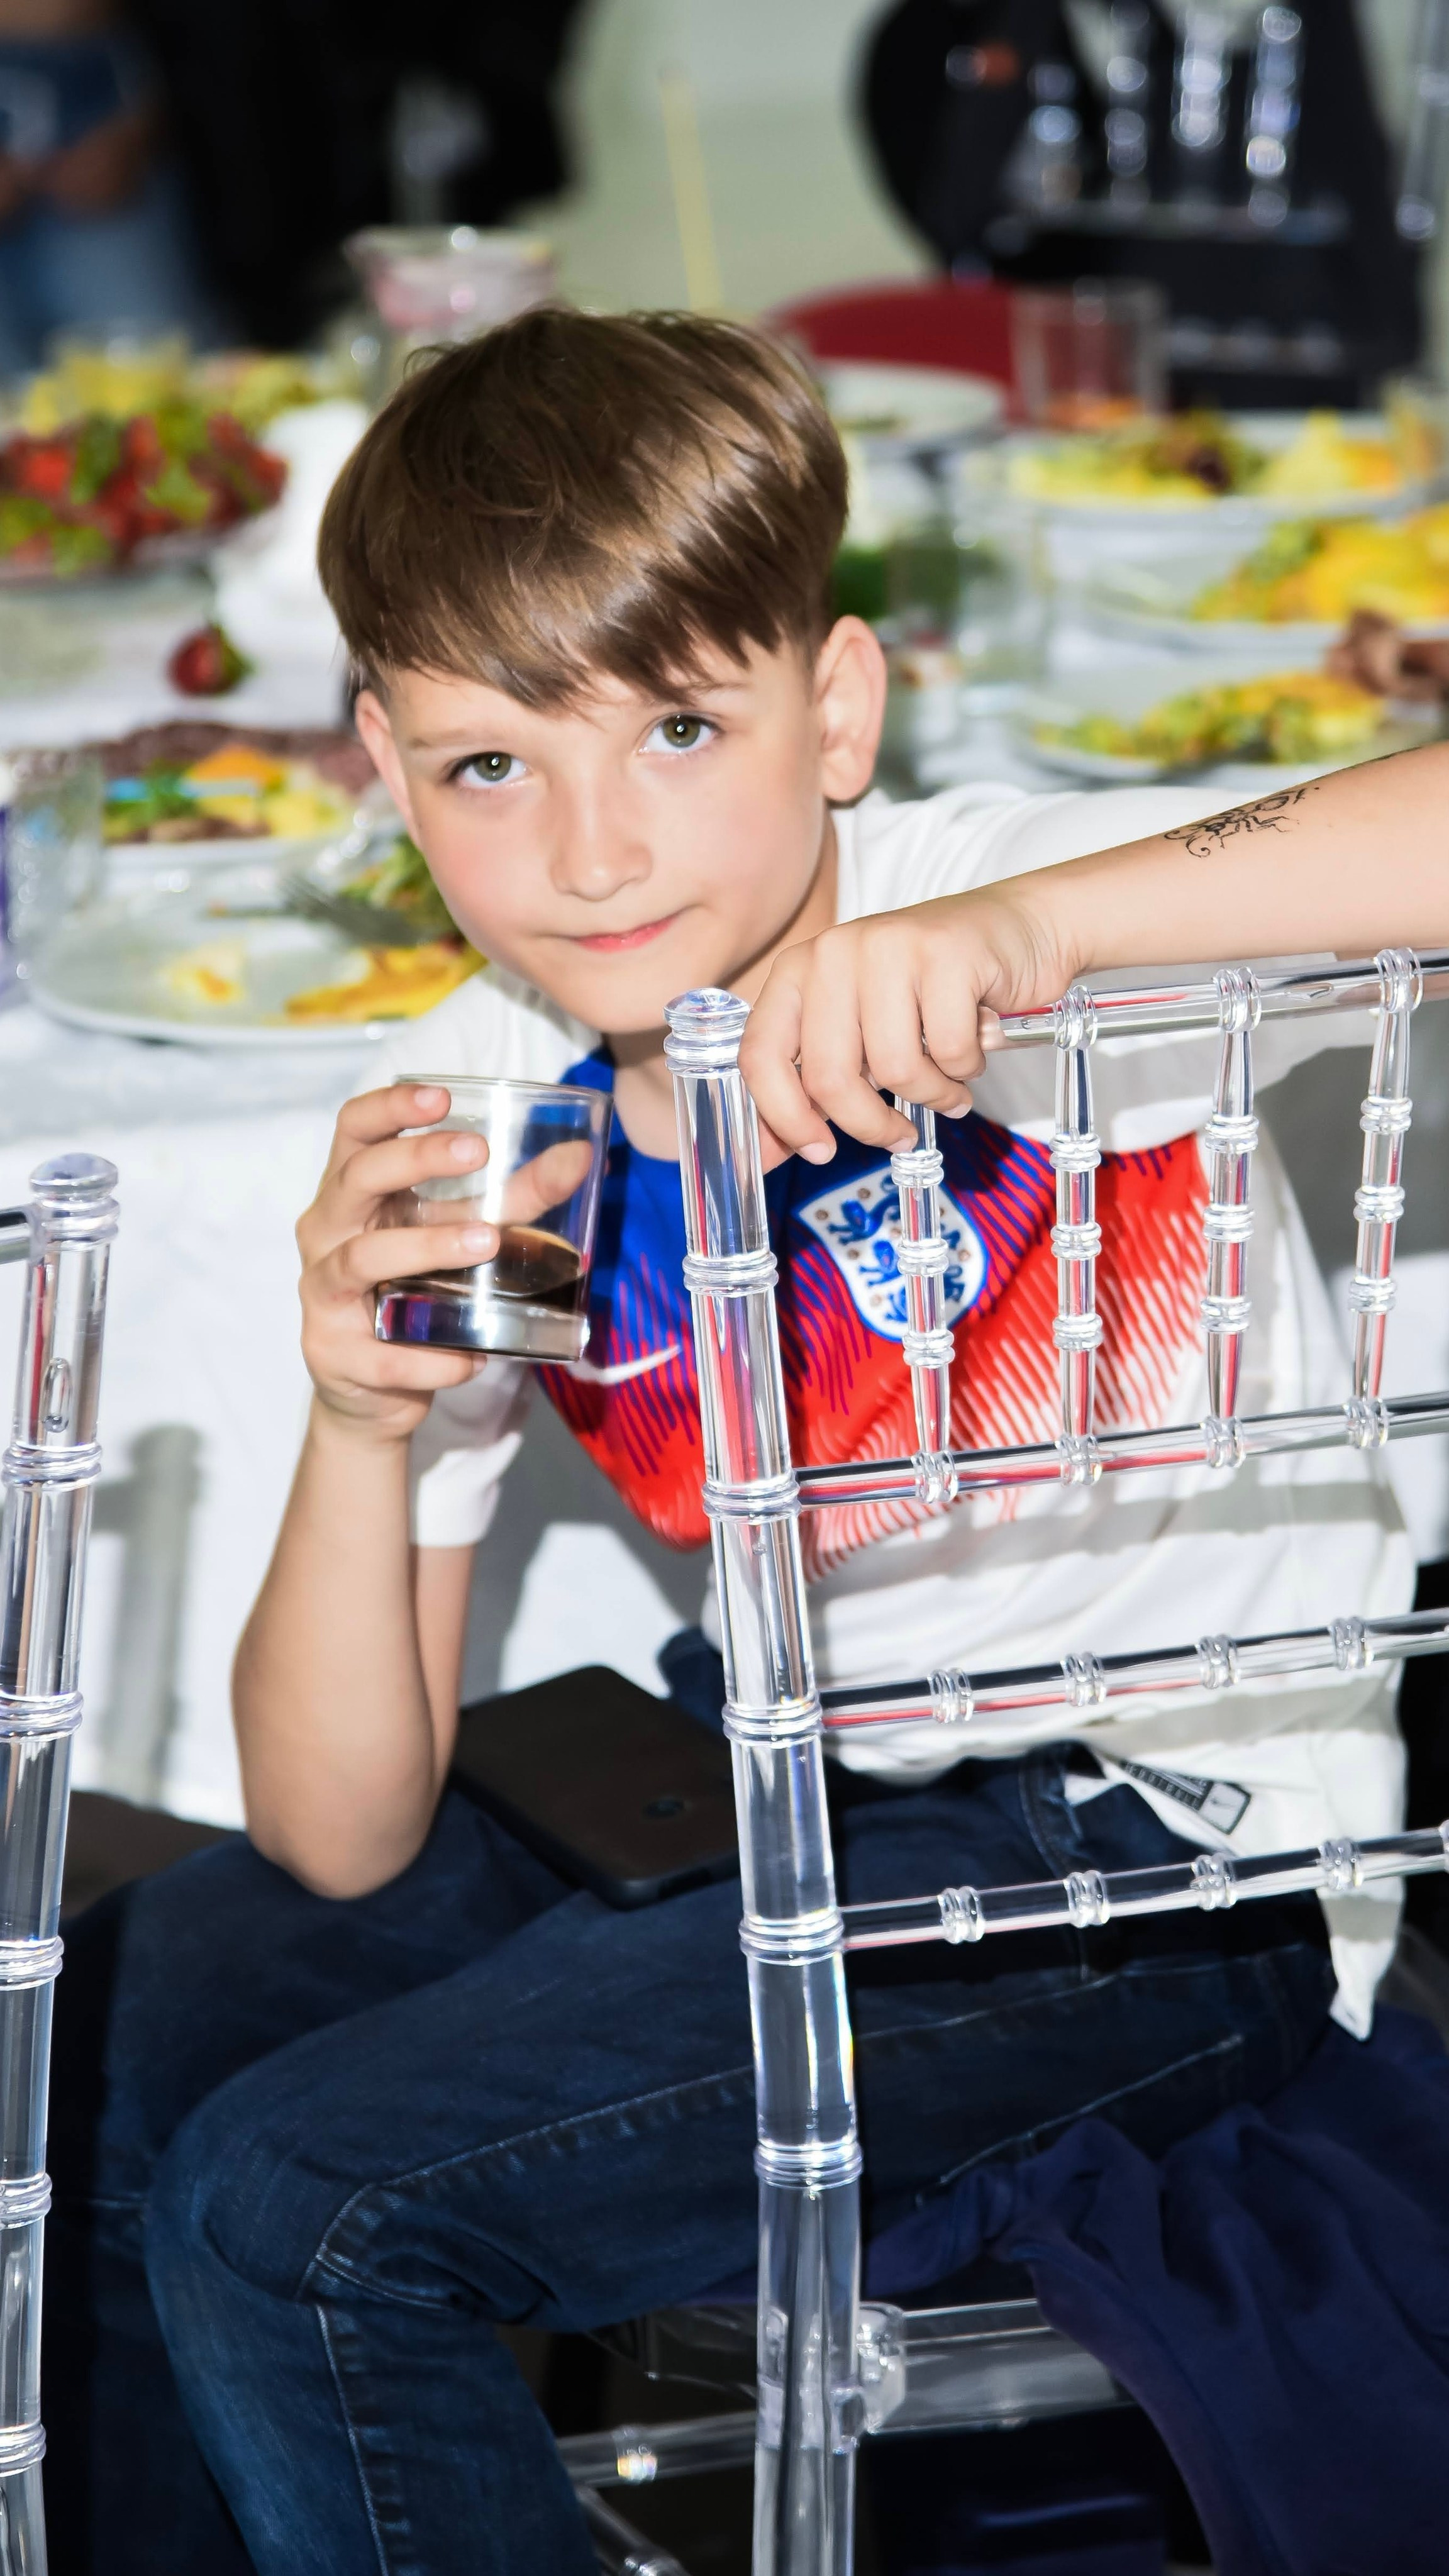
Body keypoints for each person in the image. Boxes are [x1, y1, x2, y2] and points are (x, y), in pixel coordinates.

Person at [43, 309, 1423, 2576]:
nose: (593, 850)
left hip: (1163, 1872)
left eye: (681, 729)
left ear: (839, 707)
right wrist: (361, 1420)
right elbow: (341, 1834)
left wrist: (1042, 925)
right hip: (769, 1778)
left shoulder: (998, 912)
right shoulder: (508, 1110)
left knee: (303, 2216)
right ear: (384, 766)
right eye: (494, 768)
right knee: (125, 2046)